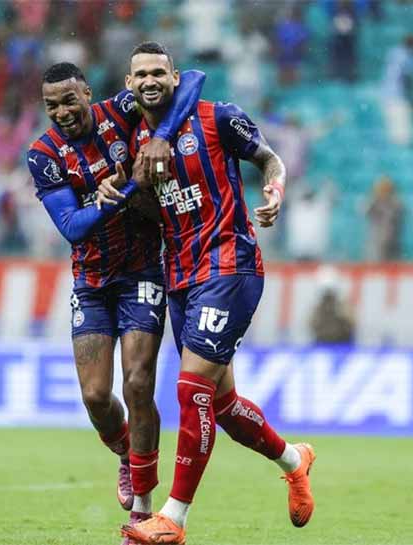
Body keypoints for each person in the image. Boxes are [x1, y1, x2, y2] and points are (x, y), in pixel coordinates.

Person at [103, 42, 315, 545]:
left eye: (160, 72)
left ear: (174, 77)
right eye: (141, 75)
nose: (150, 80)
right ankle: (294, 459)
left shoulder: (218, 119)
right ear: (129, 85)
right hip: (179, 276)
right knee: (221, 406)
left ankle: (173, 518)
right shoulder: (132, 138)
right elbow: (148, 206)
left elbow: (271, 159)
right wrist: (118, 191)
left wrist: (275, 192)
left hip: (230, 265)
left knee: (189, 387)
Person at [26, 62, 205, 538]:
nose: (62, 112)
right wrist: (119, 192)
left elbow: (192, 80)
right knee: (95, 396)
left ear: (87, 92)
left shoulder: (120, 109)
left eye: (69, 100)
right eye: (51, 106)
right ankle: (128, 454)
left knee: (139, 383)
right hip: (92, 281)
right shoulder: (43, 155)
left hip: (143, 270)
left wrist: (160, 137)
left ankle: (143, 512)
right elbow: (71, 227)